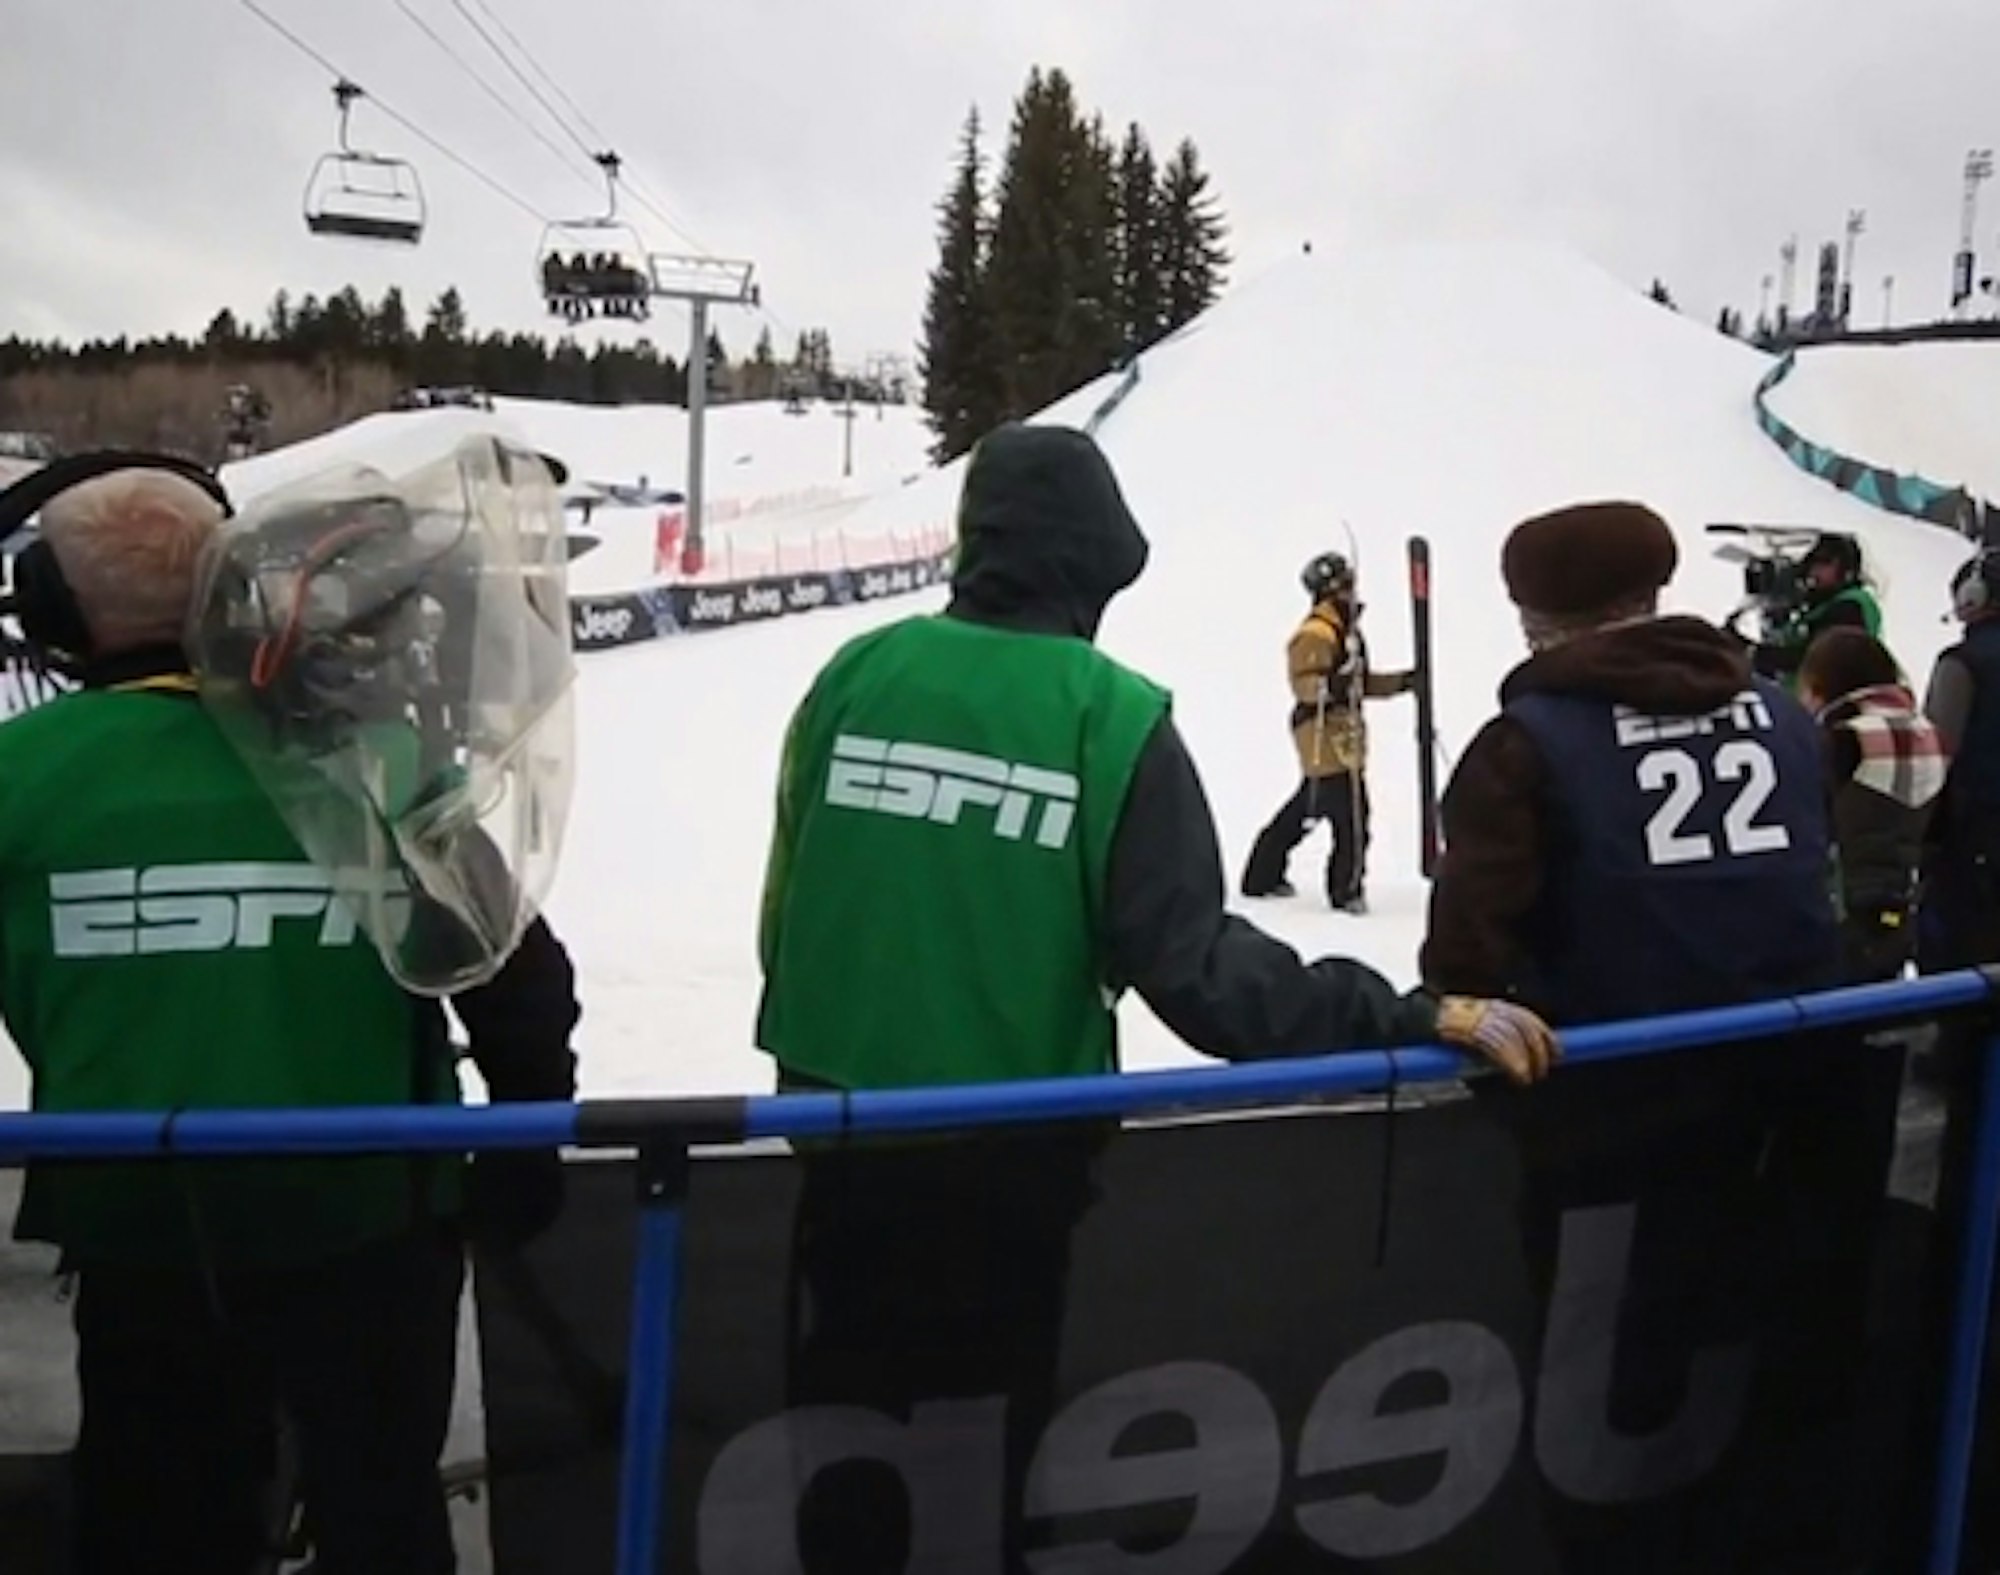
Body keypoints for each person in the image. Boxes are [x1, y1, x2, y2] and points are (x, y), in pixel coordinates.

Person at [756, 424, 1555, 1568]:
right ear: (1092, 562)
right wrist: (1398, 1012)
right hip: (1007, 1162)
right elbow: (1195, 967)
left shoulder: (852, 674)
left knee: (842, 1446)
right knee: (986, 1458)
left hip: (833, 1138)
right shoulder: (1109, 713)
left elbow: (785, 906)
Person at [0, 459, 579, 1575]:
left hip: (141, 1232)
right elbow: (518, 985)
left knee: (153, 1518)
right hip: (371, 1227)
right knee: (382, 1516)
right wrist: (524, 1148)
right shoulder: (369, 759)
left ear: (55, 613)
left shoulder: (16, 776)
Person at [1422, 500, 1839, 1020]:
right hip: (1796, 1045)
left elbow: (1468, 947)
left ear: (1536, 623)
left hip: (1610, 1064)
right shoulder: (1785, 715)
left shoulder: (1523, 745)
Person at [1240, 551, 1414, 912]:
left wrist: (1402, 682)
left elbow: (1358, 683)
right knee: (1350, 815)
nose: (1353, 590)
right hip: (1322, 735)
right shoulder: (1316, 633)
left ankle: (1263, 874)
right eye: (1345, 583)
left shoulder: (1345, 631)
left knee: (1313, 805)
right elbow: (1305, 685)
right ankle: (1345, 890)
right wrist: (1334, 685)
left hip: (1342, 735)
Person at [1795, 628, 1946, 983]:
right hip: (1902, 900)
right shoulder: (1927, 732)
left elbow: (1807, 816)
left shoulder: (1843, 737)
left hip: (1839, 905)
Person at [1749, 530, 1885, 687]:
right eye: (1814, 563)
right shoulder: (1831, 604)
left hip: (1819, 701)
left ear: (1846, 568)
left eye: (1825, 563)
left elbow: (1814, 659)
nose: (1815, 572)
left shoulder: (1848, 607)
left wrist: (1757, 654)